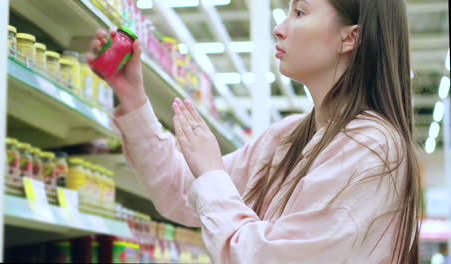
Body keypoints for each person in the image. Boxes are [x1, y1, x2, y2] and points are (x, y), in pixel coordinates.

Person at [88, 0, 422, 262]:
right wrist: (133, 97)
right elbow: (181, 192)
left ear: (350, 37)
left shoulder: (371, 147)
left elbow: (268, 258)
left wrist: (211, 171)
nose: (279, 28)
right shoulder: (288, 136)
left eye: (300, 12)